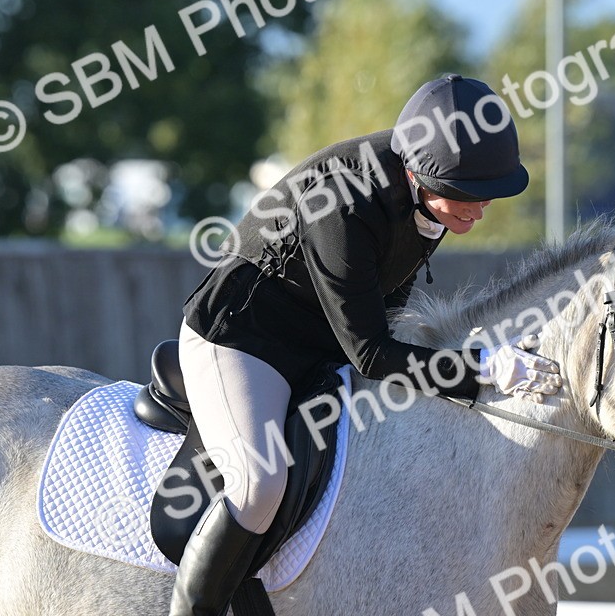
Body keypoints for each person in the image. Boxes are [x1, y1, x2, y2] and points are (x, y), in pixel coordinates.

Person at [167, 73, 562, 616]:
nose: (478, 206)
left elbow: (385, 308)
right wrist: (481, 368)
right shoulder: (344, 201)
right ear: (418, 173)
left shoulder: (435, 192)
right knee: (259, 482)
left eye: (486, 193)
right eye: (465, 194)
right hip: (242, 338)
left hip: (320, 341)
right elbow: (372, 354)